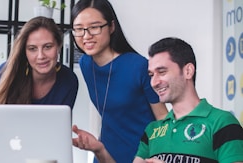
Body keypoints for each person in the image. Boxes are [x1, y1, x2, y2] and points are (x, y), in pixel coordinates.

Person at [72, 37, 243, 163]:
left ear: (188, 71)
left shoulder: (223, 123)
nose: (154, 82)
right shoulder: (152, 130)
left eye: (162, 72)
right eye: (151, 75)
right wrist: (100, 150)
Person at [70, 0, 168, 162]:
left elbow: (163, 117)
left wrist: (161, 156)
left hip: (142, 155)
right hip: (105, 155)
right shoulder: (86, 64)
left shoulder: (138, 66)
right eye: (79, 29)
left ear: (111, 27)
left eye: (94, 27)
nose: (86, 36)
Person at [0, 16, 78, 108]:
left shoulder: (69, 80)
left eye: (48, 47)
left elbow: (61, 121)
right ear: (24, 51)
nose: (41, 56)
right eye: (32, 49)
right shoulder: (2, 74)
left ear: (59, 46)